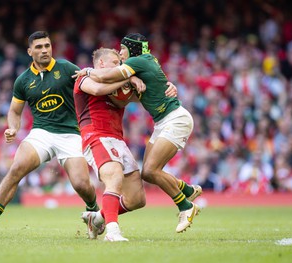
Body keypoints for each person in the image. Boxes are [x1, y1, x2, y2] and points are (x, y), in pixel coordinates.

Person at [0, 31, 100, 238]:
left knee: (81, 184)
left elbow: (90, 84)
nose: (44, 50)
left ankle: (94, 211)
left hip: (70, 133)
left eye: (47, 46)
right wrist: (13, 127)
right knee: (16, 168)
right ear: (30, 51)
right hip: (41, 133)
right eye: (39, 47)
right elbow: (14, 111)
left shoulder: (67, 68)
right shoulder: (23, 80)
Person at [74, 33, 202, 233]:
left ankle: (185, 206)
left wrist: (94, 71)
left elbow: (112, 85)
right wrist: (130, 79)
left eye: (122, 53)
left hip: (173, 119)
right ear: (101, 62)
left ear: (131, 49)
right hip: (128, 129)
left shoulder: (137, 61)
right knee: (147, 174)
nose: (121, 59)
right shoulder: (127, 71)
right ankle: (185, 190)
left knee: (150, 171)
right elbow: (110, 94)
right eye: (116, 60)